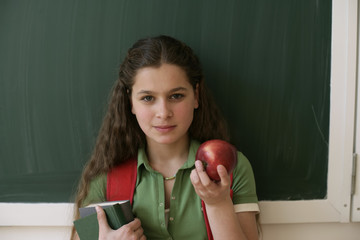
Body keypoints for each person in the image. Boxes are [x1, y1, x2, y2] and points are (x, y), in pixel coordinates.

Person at [71, 35, 260, 240]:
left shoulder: (231, 168)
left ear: (196, 96)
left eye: (176, 96)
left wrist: (218, 203)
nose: (163, 112)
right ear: (130, 102)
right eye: (148, 98)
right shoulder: (105, 175)